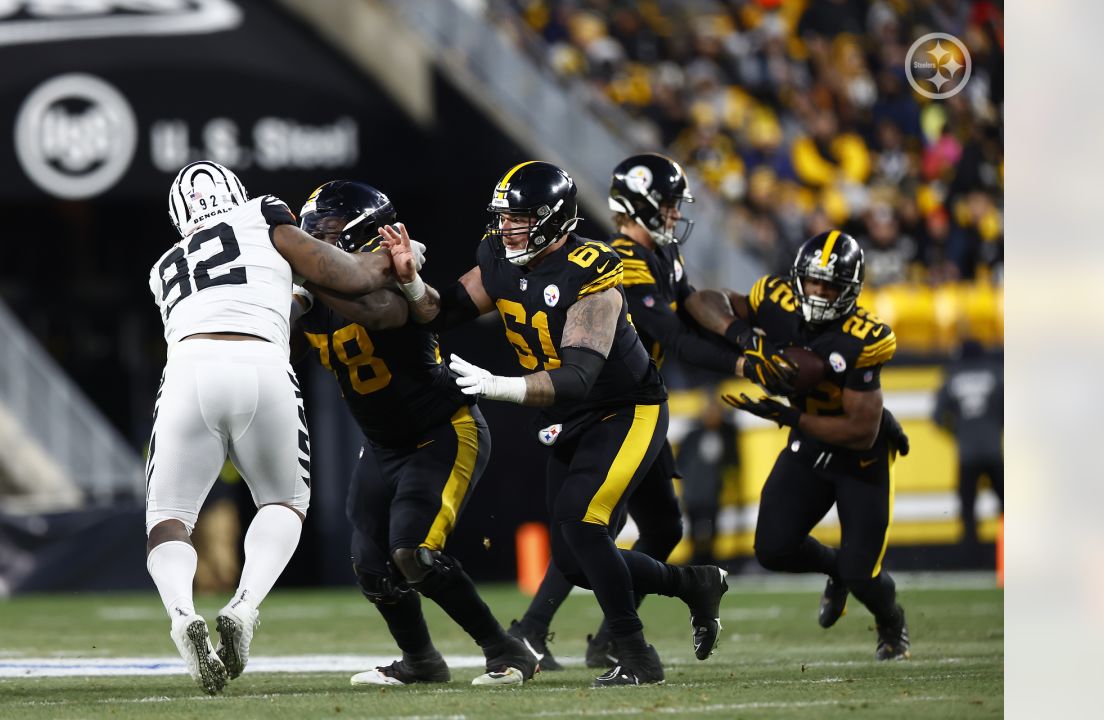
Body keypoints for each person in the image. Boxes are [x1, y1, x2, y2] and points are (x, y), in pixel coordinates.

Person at [382, 160, 729, 687]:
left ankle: (636, 654)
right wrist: (410, 284)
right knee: (571, 560)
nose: (507, 228)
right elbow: (442, 310)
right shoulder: (497, 253)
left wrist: (496, 386)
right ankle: (692, 584)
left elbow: (579, 375)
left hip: (625, 407)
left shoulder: (594, 270)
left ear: (552, 219)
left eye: (519, 219)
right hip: (568, 418)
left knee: (584, 524)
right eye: (504, 217)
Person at [145, 160, 398, 694]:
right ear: (236, 193)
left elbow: (233, 296)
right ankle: (244, 606)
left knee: (168, 518)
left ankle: (181, 614)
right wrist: (391, 260)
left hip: (189, 367)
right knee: (284, 501)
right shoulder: (264, 213)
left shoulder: (164, 265)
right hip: (262, 363)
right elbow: (346, 275)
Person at [505, 154, 747, 671]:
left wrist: (743, 330)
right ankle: (540, 629)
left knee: (660, 528)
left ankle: (598, 639)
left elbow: (690, 305)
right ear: (638, 205)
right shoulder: (620, 260)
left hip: (636, 404)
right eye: (664, 205)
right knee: (586, 530)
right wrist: (746, 362)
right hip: (602, 407)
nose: (672, 214)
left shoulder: (660, 255)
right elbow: (675, 336)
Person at [292, 181, 537, 687]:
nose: (315, 242)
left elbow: (380, 312)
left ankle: (506, 650)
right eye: (310, 233)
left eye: (328, 233)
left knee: (413, 554)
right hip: (383, 445)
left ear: (364, 236)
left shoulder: (397, 282)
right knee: (371, 565)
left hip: (443, 430)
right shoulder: (310, 289)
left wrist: (303, 277)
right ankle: (422, 661)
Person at [685, 229, 914, 661]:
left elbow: (861, 431)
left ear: (851, 289)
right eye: (813, 281)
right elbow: (701, 301)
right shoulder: (775, 299)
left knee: (862, 573)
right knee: (773, 548)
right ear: (797, 278)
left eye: (830, 285)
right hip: (809, 445)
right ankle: (836, 571)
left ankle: (891, 623)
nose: (819, 292)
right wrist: (744, 336)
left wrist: (791, 417)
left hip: (859, 457)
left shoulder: (863, 336)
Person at [931, 337, 1003, 554]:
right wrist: (996, 427)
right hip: (993, 449)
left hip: (967, 453)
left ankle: (971, 553)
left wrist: (957, 432)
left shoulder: (952, 375)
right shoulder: (996, 373)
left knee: (968, 505)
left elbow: (936, 416)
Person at [676, 391, 740, 567]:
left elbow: (733, 463)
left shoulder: (726, 435)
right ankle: (696, 558)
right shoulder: (693, 435)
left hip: (712, 491)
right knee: (694, 526)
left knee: (712, 526)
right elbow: (680, 461)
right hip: (693, 491)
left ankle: (709, 558)